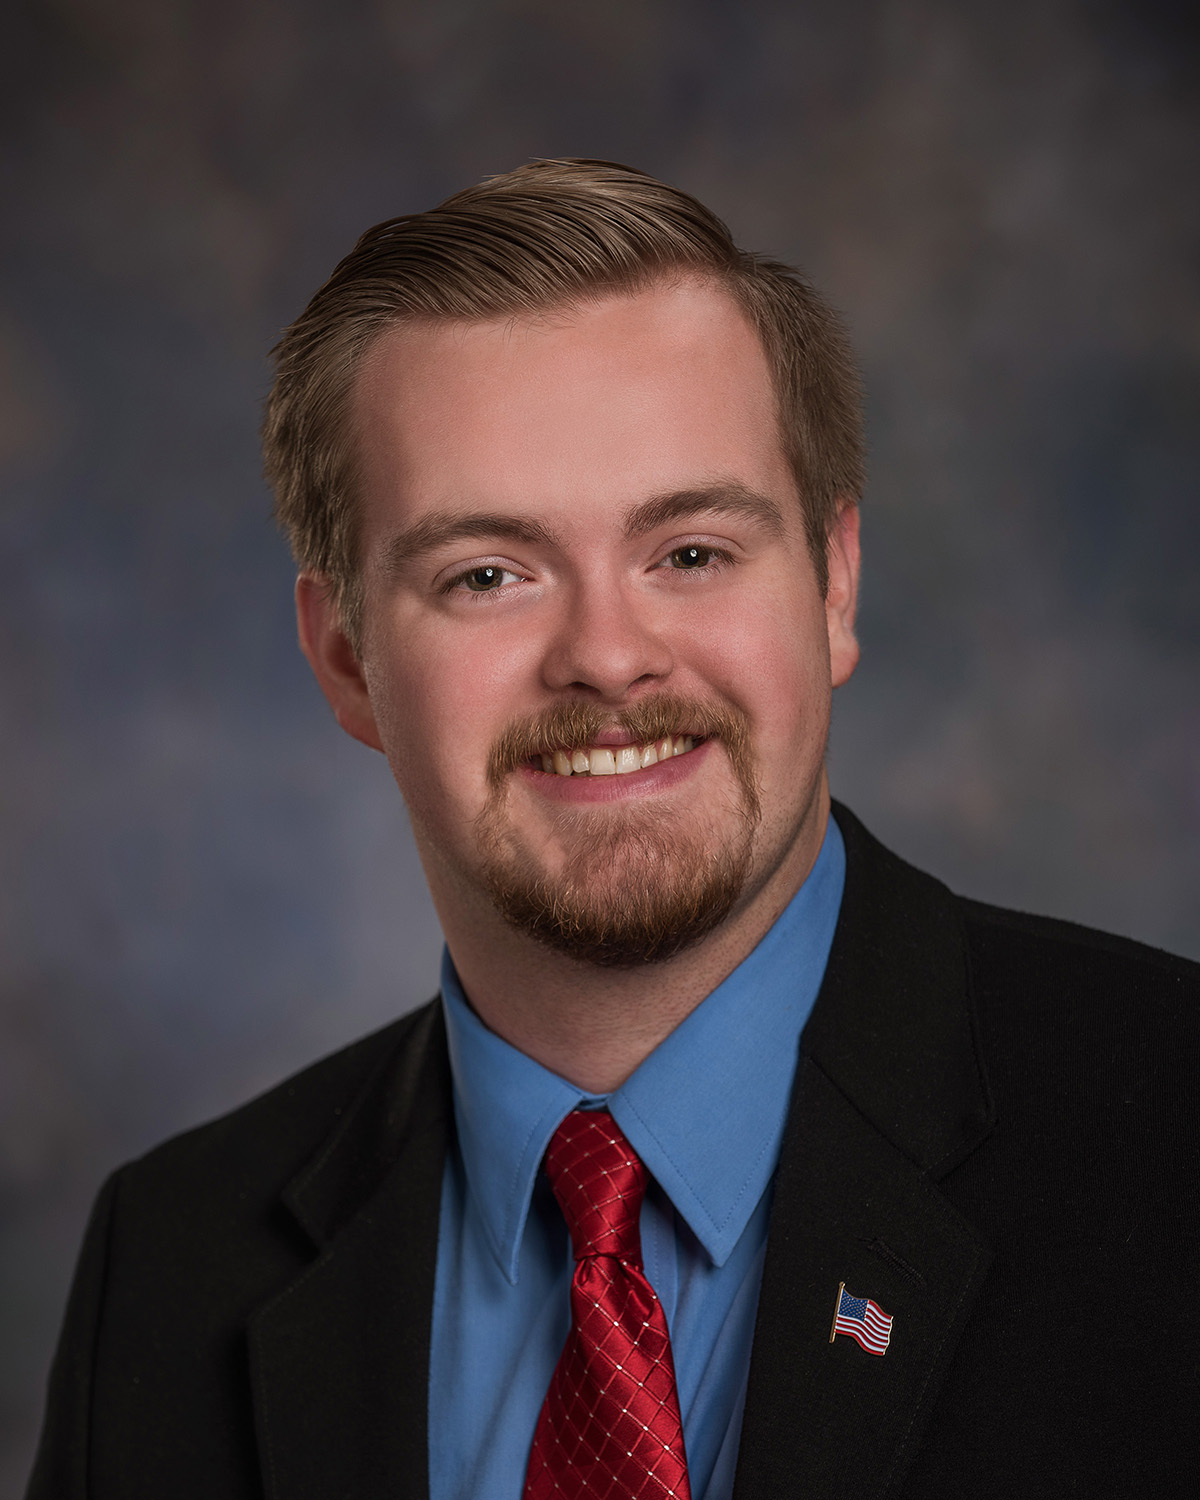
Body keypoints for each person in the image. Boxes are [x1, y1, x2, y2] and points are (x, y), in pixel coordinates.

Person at [27, 160, 1198, 1500]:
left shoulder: (1169, 1137)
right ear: (346, 659)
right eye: (487, 575)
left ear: (833, 588)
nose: (606, 656)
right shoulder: (170, 1270)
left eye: (690, 552)